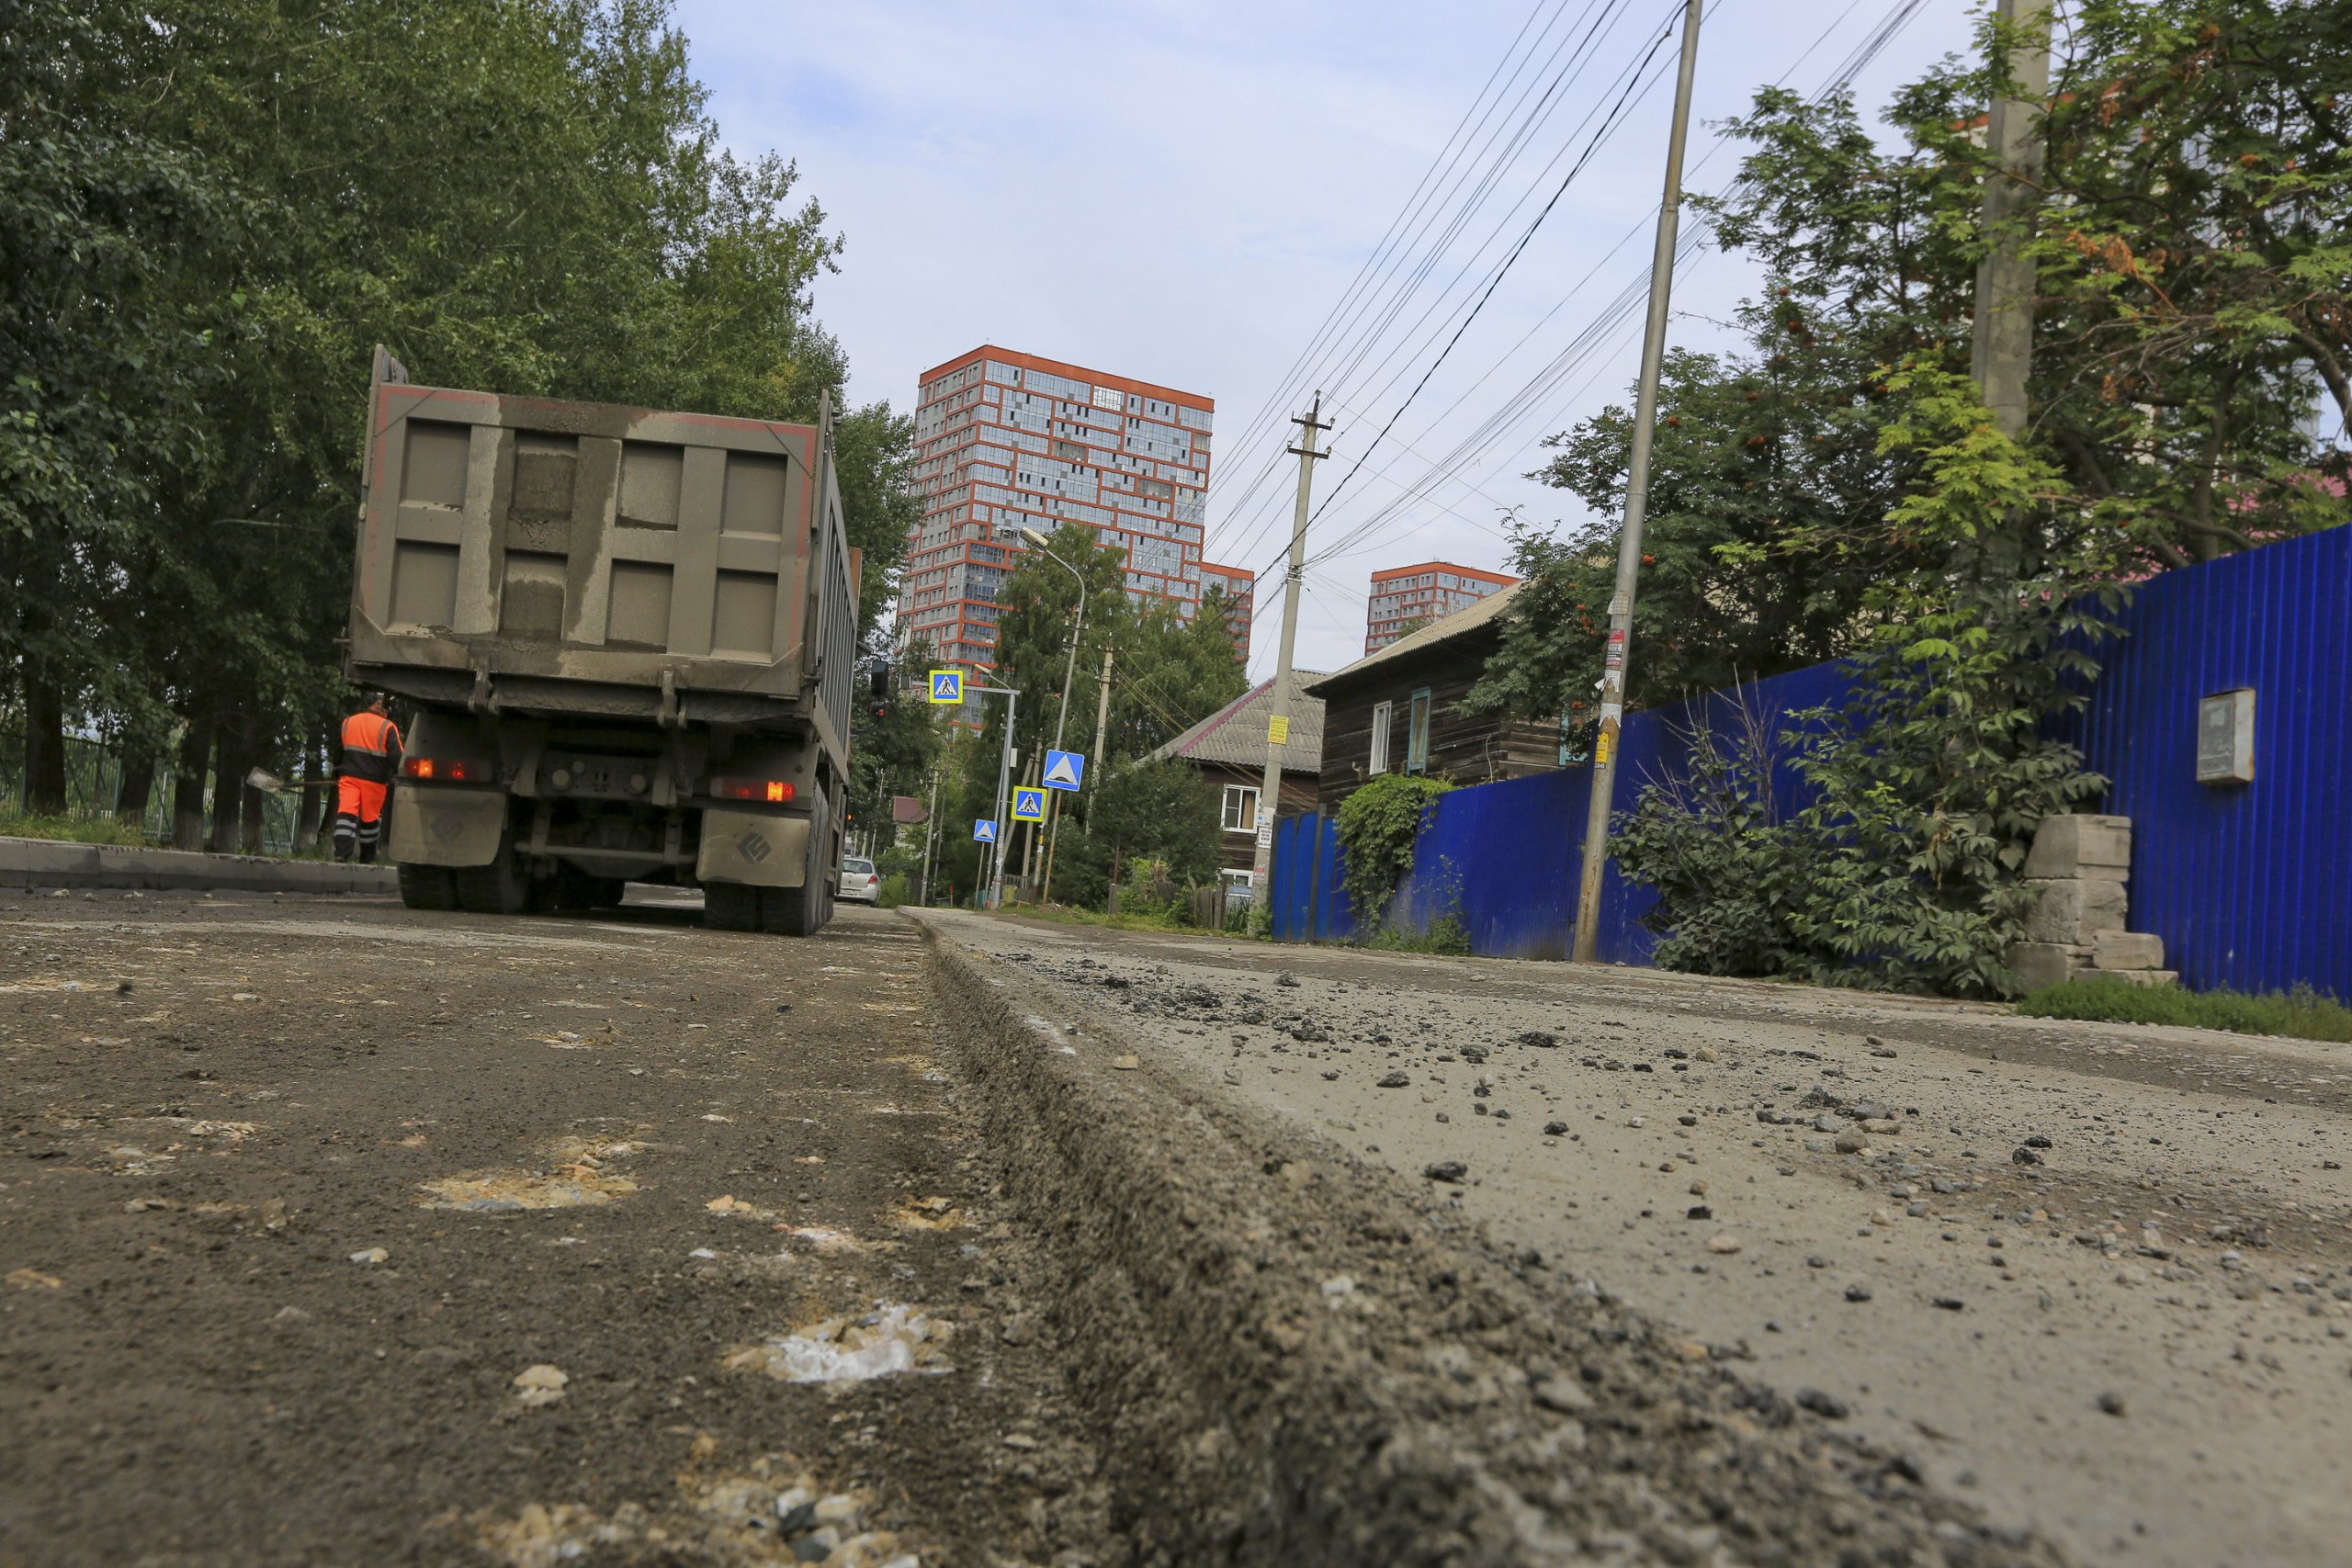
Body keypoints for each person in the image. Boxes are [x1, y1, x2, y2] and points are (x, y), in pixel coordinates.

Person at [334, 694, 403, 863]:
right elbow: (398, 758)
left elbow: (338, 752)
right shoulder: (387, 727)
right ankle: (367, 858)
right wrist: (400, 776)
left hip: (349, 777)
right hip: (374, 781)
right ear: (380, 707)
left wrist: (337, 771)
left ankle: (342, 853)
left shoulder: (348, 722)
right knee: (370, 820)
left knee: (346, 814)